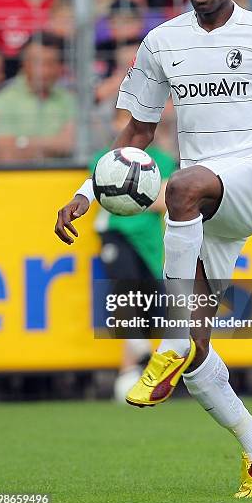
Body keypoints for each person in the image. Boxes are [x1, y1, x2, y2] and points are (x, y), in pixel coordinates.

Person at [55, 0, 252, 499]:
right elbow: (139, 133)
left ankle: (169, 341)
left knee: (181, 184)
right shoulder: (161, 43)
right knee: (201, 354)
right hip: (204, 207)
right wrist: (87, 188)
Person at [91, 108, 176, 400]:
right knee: (124, 289)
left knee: (148, 308)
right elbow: (104, 194)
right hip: (116, 233)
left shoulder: (163, 160)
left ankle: (133, 373)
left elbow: (168, 201)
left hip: (150, 244)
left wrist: (129, 193)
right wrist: (148, 193)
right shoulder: (105, 157)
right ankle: (133, 365)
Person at [0, 32, 76, 162]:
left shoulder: (69, 99)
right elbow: (6, 154)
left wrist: (23, 142)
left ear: (60, 67)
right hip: (18, 178)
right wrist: (54, 144)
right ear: (24, 64)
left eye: (51, 63)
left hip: (61, 177)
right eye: (37, 63)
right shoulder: (4, 99)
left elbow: (71, 144)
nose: (44, 71)